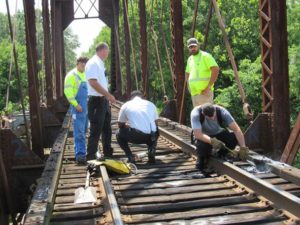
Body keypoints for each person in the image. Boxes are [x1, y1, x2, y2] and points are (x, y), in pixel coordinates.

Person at [190, 103, 249, 171]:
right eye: (209, 117)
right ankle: (201, 160)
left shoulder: (222, 111)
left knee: (232, 138)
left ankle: (222, 154)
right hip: (204, 135)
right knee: (202, 146)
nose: (212, 118)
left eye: (213, 116)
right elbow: (198, 134)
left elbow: (236, 129)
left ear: (215, 110)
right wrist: (212, 141)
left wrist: (243, 147)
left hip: (218, 132)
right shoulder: (196, 114)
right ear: (203, 113)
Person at [85, 42, 116, 161]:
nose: (108, 54)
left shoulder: (99, 63)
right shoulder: (93, 63)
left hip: (103, 101)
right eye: (107, 51)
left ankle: (108, 152)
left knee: (107, 128)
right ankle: (91, 156)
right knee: (96, 129)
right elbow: (93, 82)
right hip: (96, 101)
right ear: (103, 50)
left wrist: (107, 97)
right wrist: (108, 95)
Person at [116, 90, 159, 164]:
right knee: (155, 130)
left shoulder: (126, 105)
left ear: (131, 97)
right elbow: (156, 123)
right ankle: (151, 150)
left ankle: (130, 157)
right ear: (142, 97)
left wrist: (127, 125)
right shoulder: (151, 104)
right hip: (152, 136)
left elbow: (120, 125)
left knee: (118, 133)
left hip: (136, 136)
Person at [64, 56, 89, 164]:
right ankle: (80, 155)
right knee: (79, 132)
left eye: (85, 65)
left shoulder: (86, 75)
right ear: (77, 63)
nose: (84, 67)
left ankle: (81, 151)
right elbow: (67, 92)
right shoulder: (71, 75)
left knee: (83, 131)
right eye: (82, 64)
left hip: (86, 106)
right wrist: (75, 104)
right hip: (78, 106)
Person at [185, 37, 220, 107]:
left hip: (205, 93)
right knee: (198, 116)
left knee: (206, 116)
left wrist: (208, 87)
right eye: (190, 47)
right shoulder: (190, 59)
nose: (193, 48)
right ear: (188, 48)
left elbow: (215, 69)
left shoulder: (205, 56)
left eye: (194, 46)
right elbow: (187, 73)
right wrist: (189, 86)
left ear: (198, 46)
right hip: (194, 94)